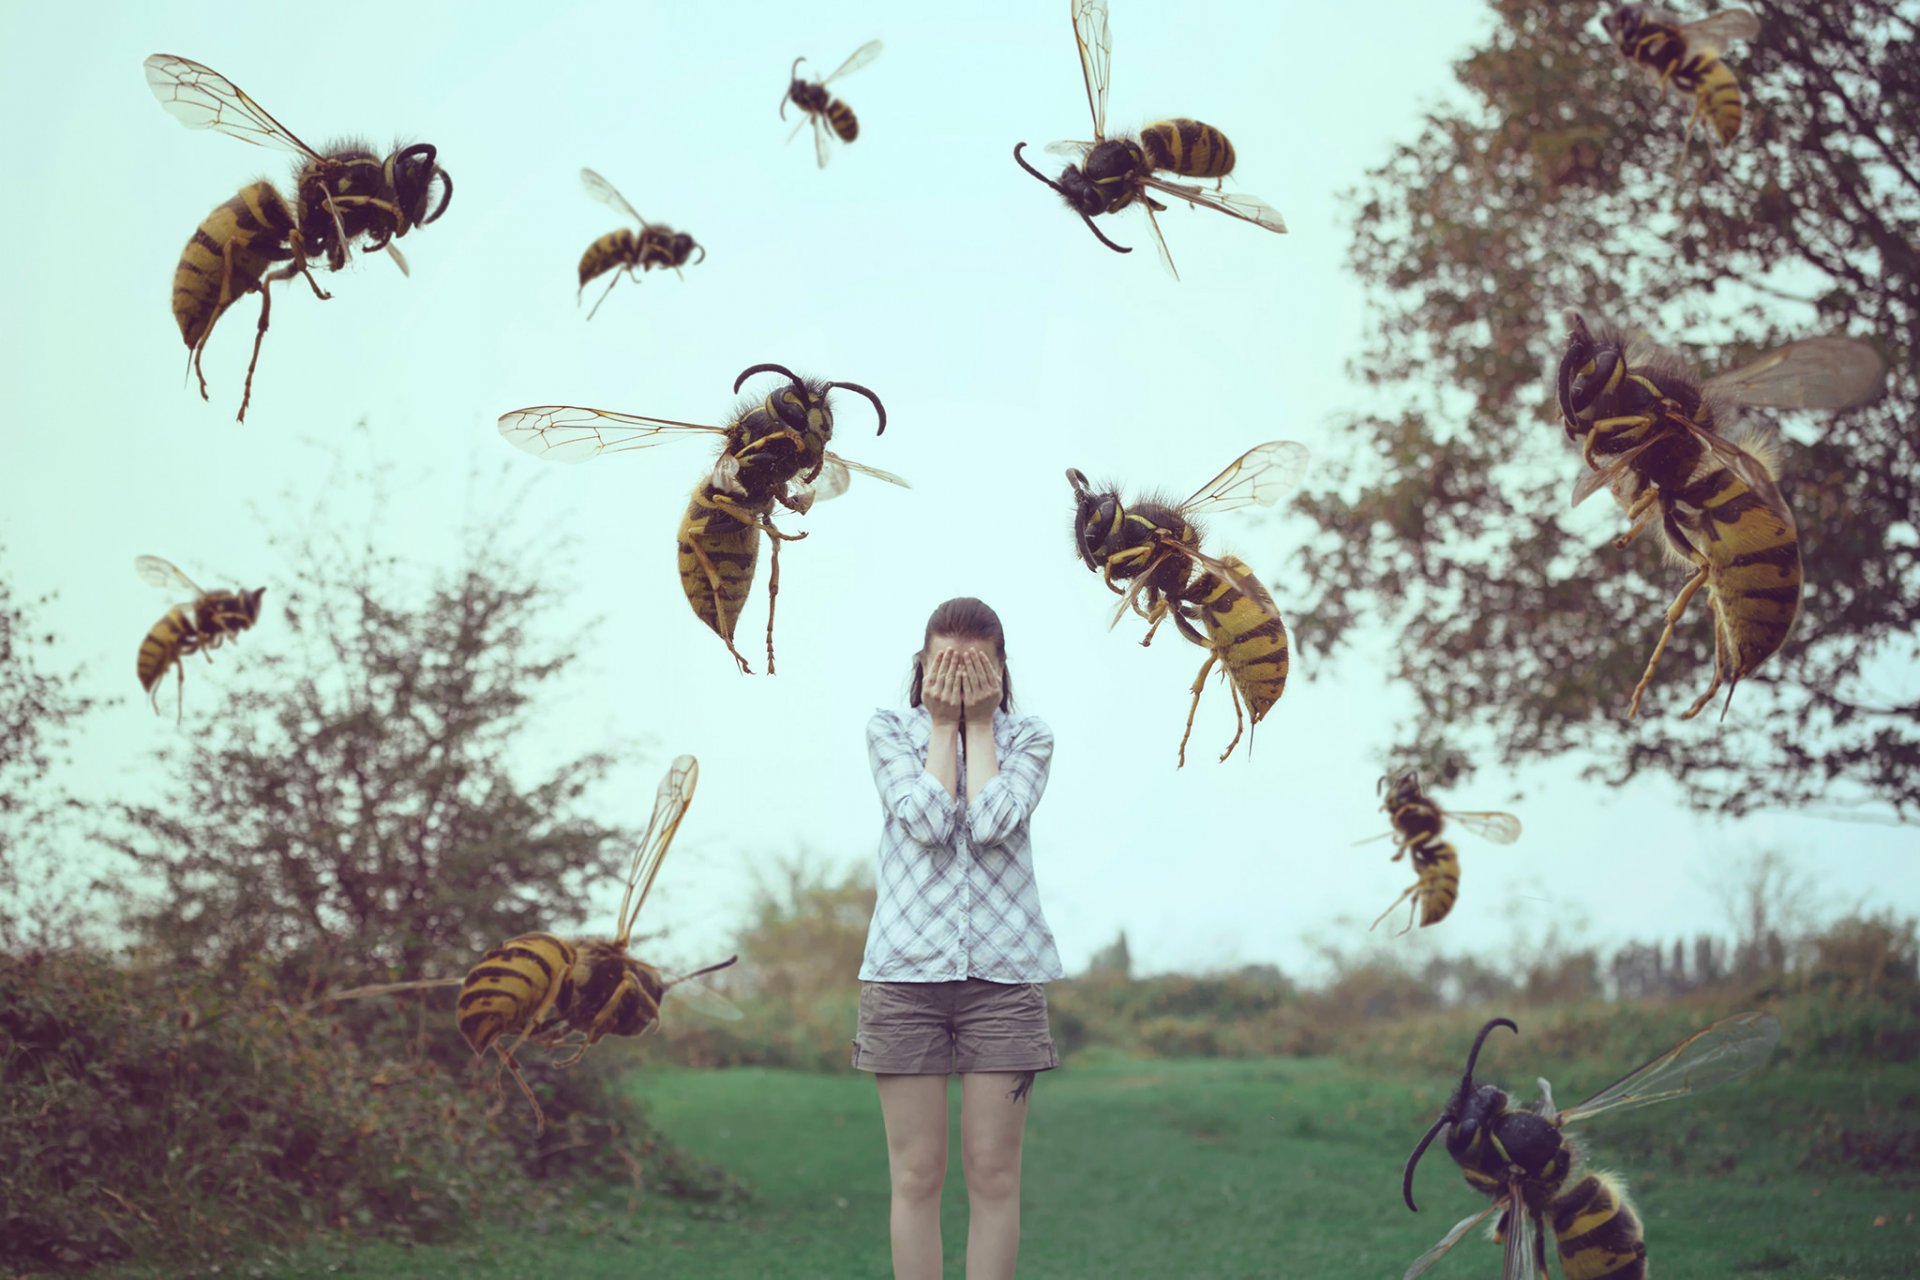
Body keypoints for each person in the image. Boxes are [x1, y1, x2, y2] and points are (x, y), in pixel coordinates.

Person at [855, 596, 1064, 1280]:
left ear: (1003, 669)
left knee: (994, 1175)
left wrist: (979, 725)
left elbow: (997, 817)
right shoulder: (890, 729)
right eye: (946, 663)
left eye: (976, 666)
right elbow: (924, 819)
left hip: (1003, 983)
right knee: (916, 1175)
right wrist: (946, 726)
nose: (961, 676)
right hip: (904, 981)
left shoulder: (1031, 737)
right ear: (922, 666)